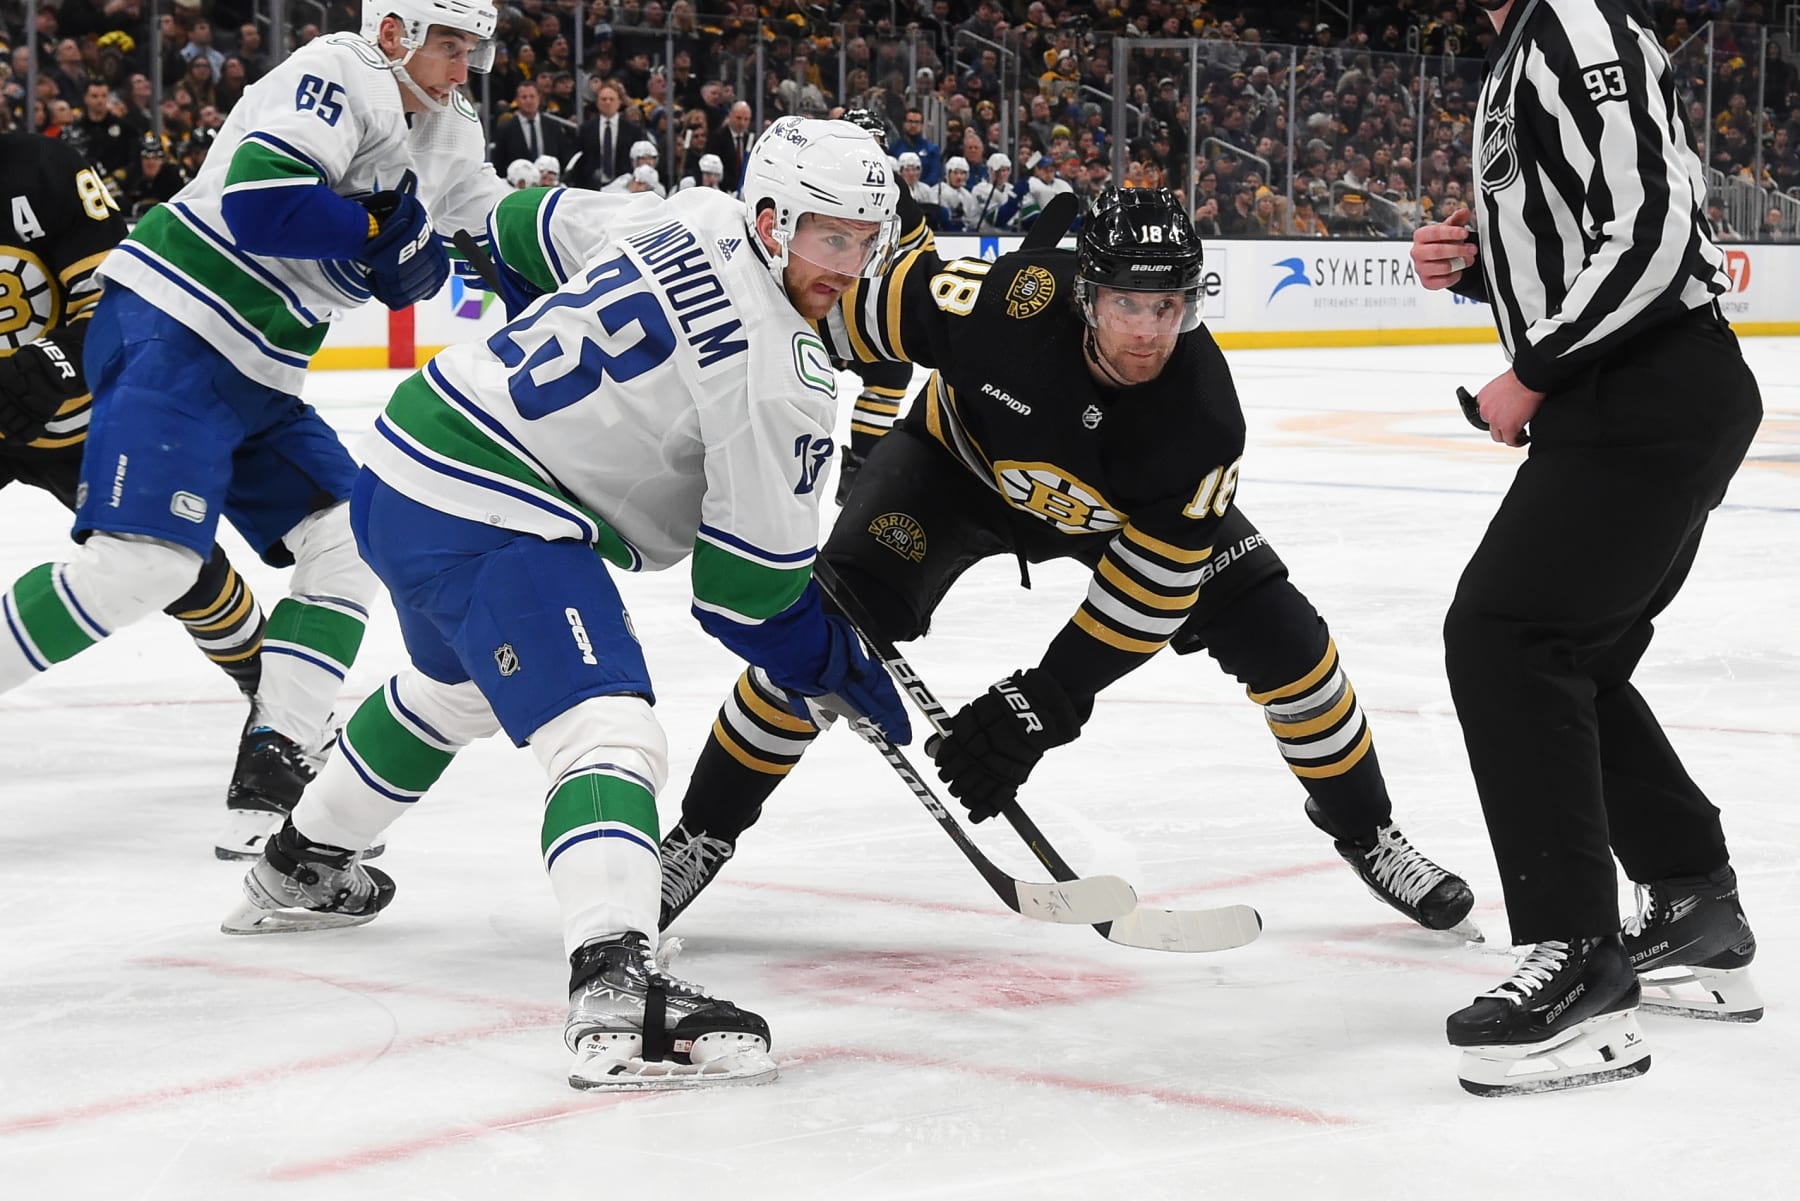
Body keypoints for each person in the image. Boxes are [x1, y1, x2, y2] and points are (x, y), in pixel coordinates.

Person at [223, 116, 912, 1090]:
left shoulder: (692, 214)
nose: (848, 264)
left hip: (411, 454)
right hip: (492, 509)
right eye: (828, 236)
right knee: (606, 731)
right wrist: (832, 664)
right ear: (772, 217)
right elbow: (742, 596)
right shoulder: (783, 379)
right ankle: (616, 980)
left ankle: (303, 855)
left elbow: (515, 230)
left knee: (451, 694)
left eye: (864, 241)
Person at [658, 187, 1476, 948]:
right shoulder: (1004, 301)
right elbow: (831, 309)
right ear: (1086, 295)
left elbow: (1151, 591)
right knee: (819, 648)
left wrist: (1046, 700)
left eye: (1168, 305)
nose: (1149, 330)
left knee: (1292, 647)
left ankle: (1368, 831)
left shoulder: (1202, 423)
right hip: (955, 472)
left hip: (1116, 518)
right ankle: (700, 832)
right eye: (1127, 303)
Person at [0, 0, 516, 861]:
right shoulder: (339, 69)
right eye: (450, 46)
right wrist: (380, 234)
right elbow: (263, 202)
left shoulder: (450, 128)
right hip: (177, 321)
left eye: (474, 50)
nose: (465, 69)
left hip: (261, 363)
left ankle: (273, 768)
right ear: (395, 33)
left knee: (352, 539)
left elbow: (481, 234)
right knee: (146, 565)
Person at [1412, 0, 1764, 1097]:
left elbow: (1655, 227)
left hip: (1646, 387)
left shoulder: (1576, 20)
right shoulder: (1533, 42)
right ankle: (1692, 903)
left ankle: (1579, 960)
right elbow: (1594, 230)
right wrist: (1481, 269)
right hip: (1649, 390)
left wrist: (1532, 370)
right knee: (1577, 652)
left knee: (1507, 637)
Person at [1, 130, 267, 713]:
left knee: (174, 566)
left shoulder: (47, 169)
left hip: (86, 422)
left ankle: (268, 685)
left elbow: (112, 300)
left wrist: (53, 366)